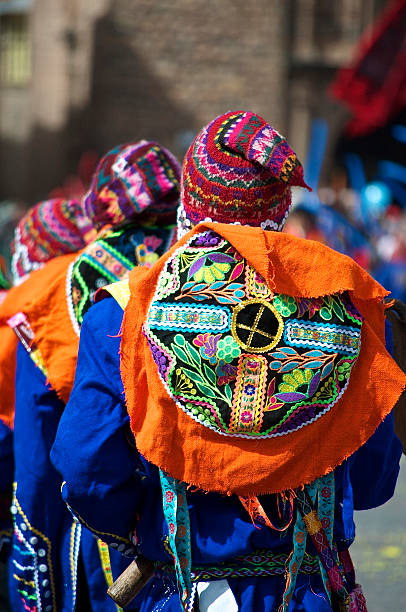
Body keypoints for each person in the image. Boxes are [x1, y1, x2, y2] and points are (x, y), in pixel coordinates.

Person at [52, 112, 404, 612]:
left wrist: (141, 530)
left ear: (189, 202)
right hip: (308, 592)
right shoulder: (356, 308)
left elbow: (86, 470)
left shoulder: (123, 310)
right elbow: (372, 482)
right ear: (281, 207)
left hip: (184, 590)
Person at [8, 141, 180, 612]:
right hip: (229, 534)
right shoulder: (210, 268)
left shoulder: (54, 293)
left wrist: (32, 589)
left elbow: (40, 469)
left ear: (103, 200)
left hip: (106, 538)